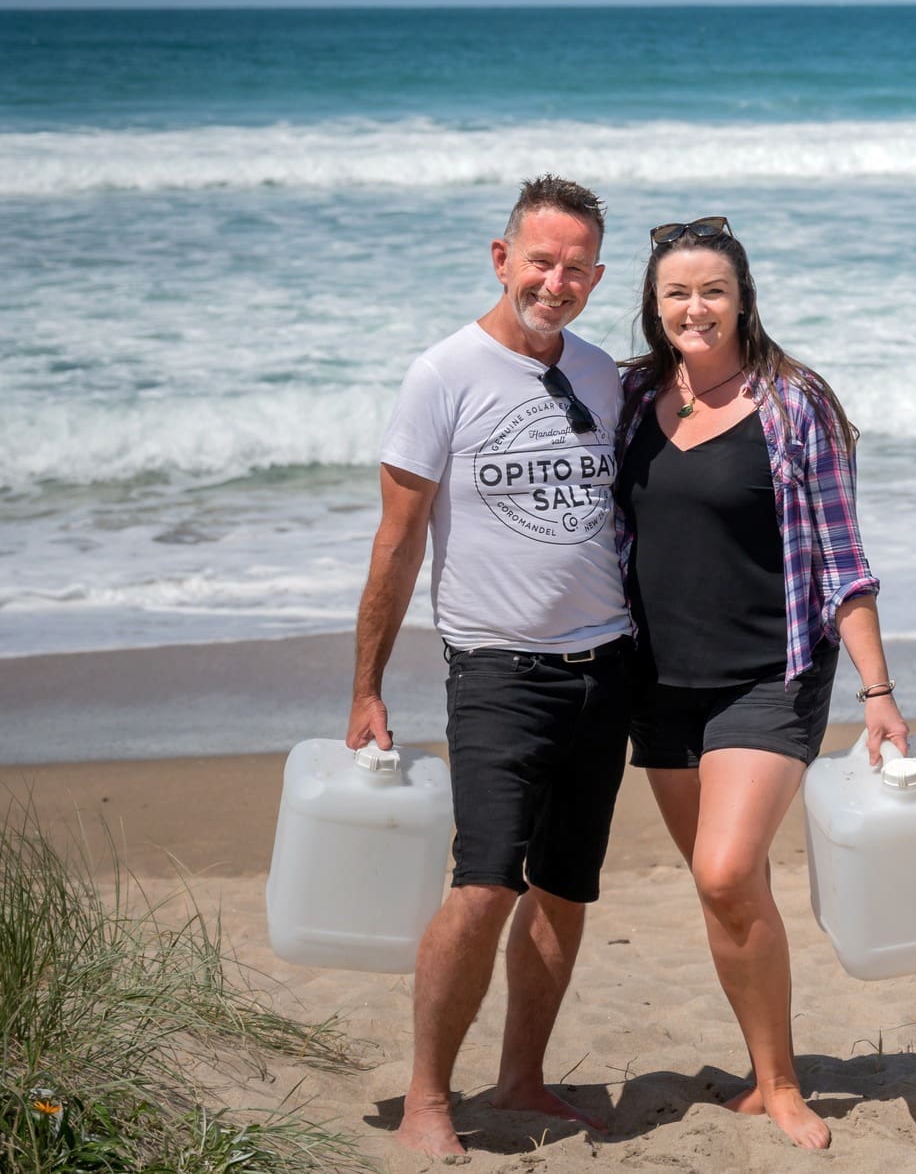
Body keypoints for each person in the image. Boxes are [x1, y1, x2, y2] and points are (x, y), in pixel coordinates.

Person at [346, 175, 632, 1161]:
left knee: (562, 887)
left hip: (607, 668)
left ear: (595, 278)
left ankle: (520, 1077)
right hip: (499, 671)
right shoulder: (443, 374)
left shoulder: (603, 376)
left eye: (574, 267)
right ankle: (430, 1095)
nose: (554, 281)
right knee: (483, 883)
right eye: (538, 260)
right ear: (501, 257)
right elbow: (397, 542)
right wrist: (368, 687)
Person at [616, 215, 910, 1151]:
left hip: (768, 674)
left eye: (711, 290)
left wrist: (877, 693)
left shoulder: (793, 402)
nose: (693, 307)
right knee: (723, 893)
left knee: (725, 867)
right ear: (653, 304)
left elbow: (840, 558)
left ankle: (782, 1085)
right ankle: (760, 1063)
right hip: (657, 681)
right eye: (676, 292)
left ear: (742, 299)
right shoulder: (629, 398)